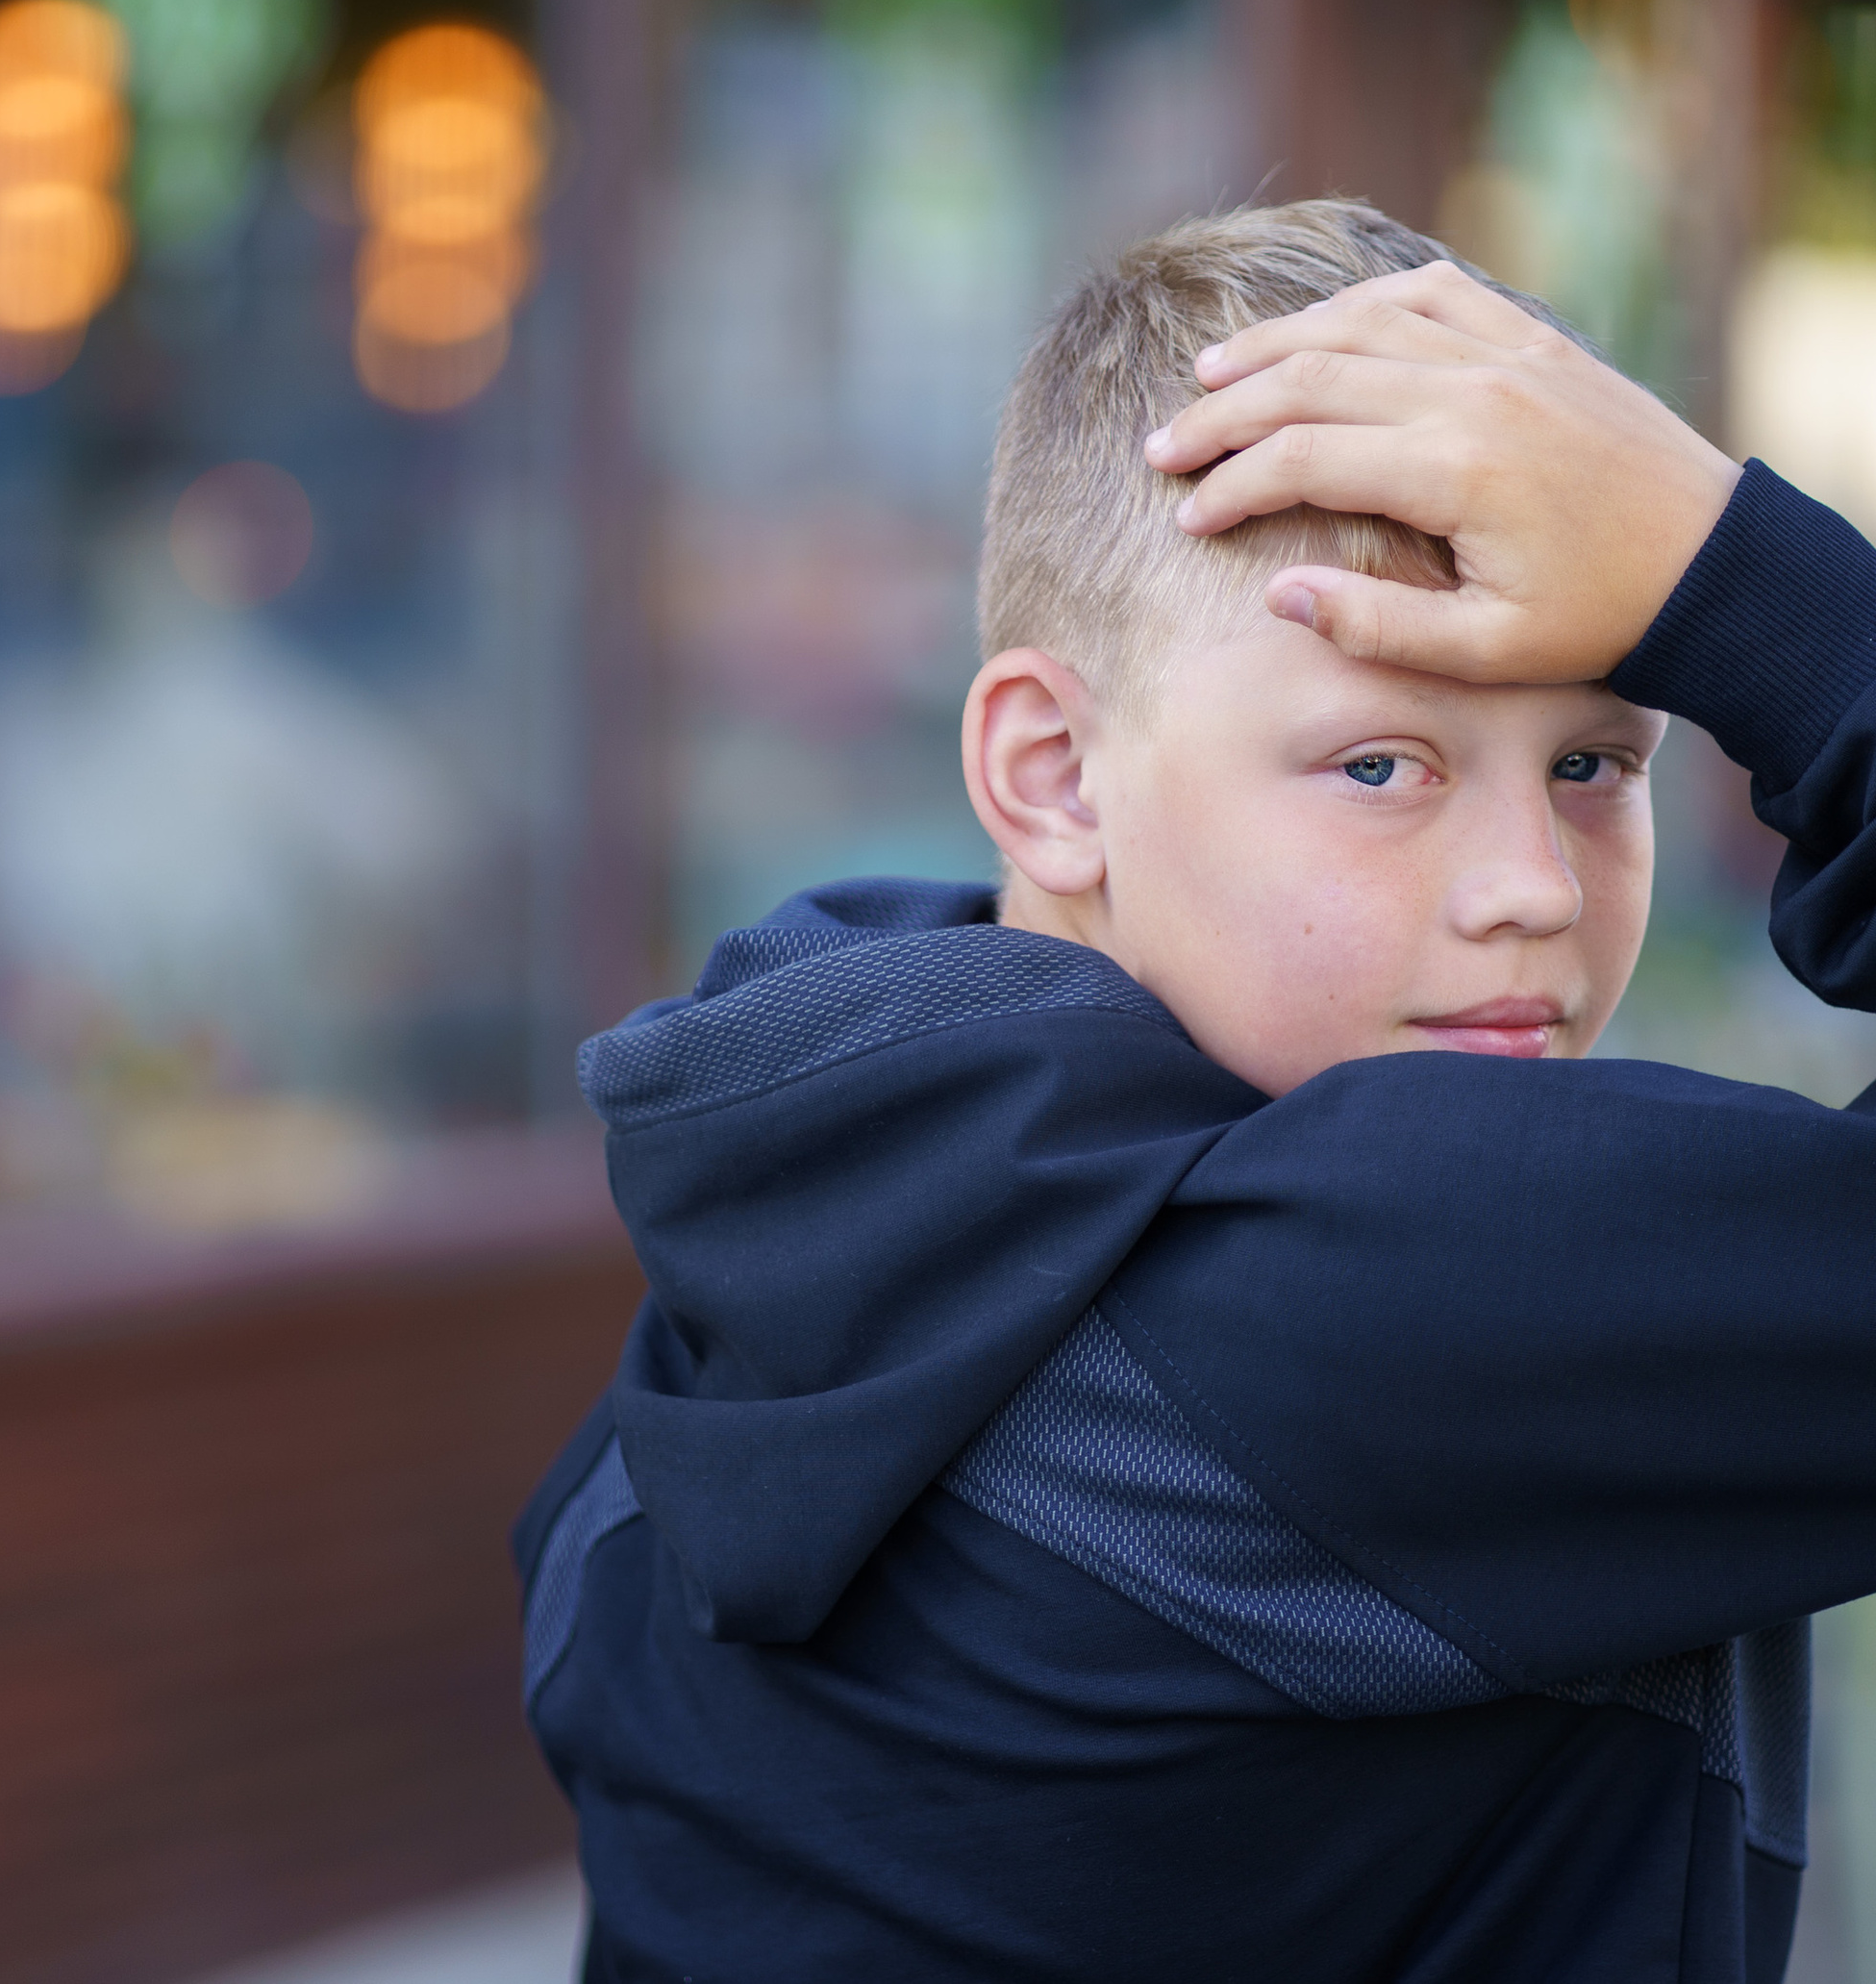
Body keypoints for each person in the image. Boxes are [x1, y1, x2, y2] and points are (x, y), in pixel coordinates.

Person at [513, 198, 1876, 1984]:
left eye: (1599, 762)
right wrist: (1739, 583)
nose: (1532, 885)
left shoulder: (777, 1230)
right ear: (1056, 772)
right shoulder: (1406, 1297)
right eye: (1382, 761)